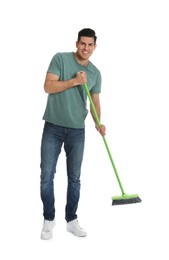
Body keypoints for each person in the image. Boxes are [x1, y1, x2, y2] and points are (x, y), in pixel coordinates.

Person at [40, 28, 106, 240]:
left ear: (94, 46)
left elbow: (95, 101)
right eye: (82, 44)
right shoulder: (60, 59)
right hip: (53, 126)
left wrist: (98, 122)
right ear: (76, 43)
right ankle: (49, 219)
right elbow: (48, 86)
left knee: (75, 179)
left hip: (77, 130)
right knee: (46, 176)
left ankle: (71, 220)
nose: (86, 48)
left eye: (90, 45)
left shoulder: (95, 73)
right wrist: (75, 81)